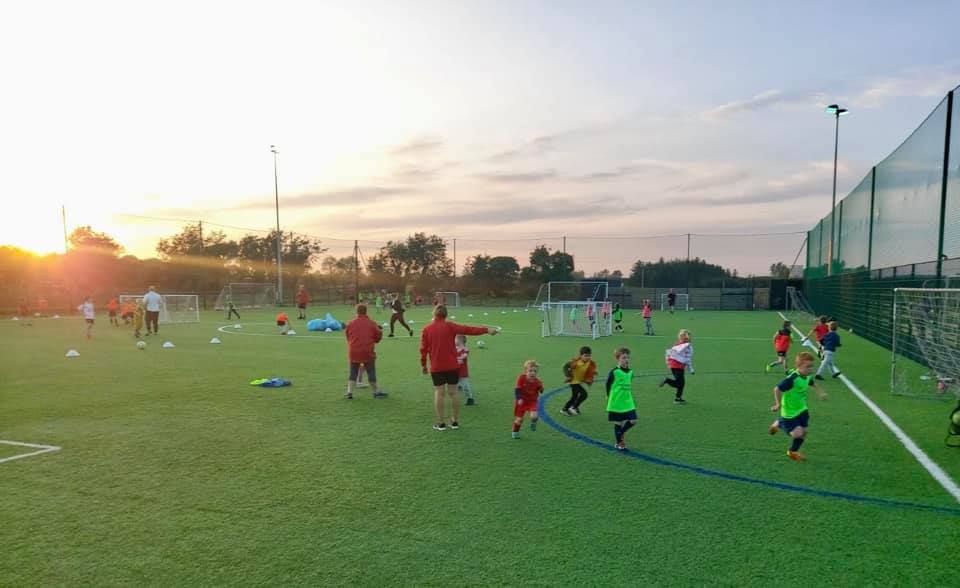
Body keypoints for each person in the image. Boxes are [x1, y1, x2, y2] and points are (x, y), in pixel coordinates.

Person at [420, 304, 498, 431]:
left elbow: (423, 350)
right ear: (446, 315)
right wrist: (487, 330)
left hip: (436, 367)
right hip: (452, 366)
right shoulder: (450, 326)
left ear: (434, 314)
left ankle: (441, 423)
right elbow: (468, 330)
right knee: (454, 392)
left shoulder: (427, 329)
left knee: (439, 393)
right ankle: (455, 422)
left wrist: (423, 365)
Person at [769, 351, 827, 461]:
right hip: (789, 411)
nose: (811, 369)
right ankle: (780, 423)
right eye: (808, 367)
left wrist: (820, 392)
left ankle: (792, 452)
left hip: (802, 408)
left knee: (804, 432)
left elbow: (812, 383)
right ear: (799, 366)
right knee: (798, 434)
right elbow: (777, 389)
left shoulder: (807, 375)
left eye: (812, 366)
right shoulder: (792, 379)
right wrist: (778, 404)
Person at [344, 304, 387, 399]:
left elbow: (347, 336)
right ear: (366, 311)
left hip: (354, 350)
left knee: (353, 371)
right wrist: (379, 333)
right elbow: (378, 336)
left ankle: (349, 392)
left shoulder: (351, 323)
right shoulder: (372, 323)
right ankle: (376, 392)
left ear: (356, 312)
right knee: (371, 371)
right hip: (367, 351)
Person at [607, 348, 637, 451]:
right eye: (624, 358)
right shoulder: (614, 372)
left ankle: (621, 433)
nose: (626, 360)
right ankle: (619, 443)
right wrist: (608, 396)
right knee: (618, 423)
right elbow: (608, 384)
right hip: (617, 401)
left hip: (628, 401)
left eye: (628, 357)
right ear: (618, 359)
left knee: (633, 421)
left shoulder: (631, 372)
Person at [560, 345, 597, 416]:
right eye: (585, 356)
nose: (587, 357)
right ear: (581, 355)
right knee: (584, 394)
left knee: (574, 397)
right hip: (573, 382)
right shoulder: (576, 362)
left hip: (579, 382)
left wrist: (593, 372)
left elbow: (588, 369)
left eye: (589, 356)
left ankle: (567, 408)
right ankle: (573, 407)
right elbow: (565, 366)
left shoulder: (589, 362)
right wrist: (568, 375)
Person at [511, 360, 544, 439]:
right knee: (519, 420)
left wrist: (541, 388)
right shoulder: (521, 378)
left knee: (534, 417)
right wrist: (519, 398)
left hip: (532, 402)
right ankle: (515, 432)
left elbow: (541, 390)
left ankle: (533, 423)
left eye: (535, 371)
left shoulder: (538, 382)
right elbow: (517, 389)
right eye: (530, 371)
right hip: (521, 401)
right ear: (525, 371)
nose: (532, 373)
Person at [660, 329, 694, 404]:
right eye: (688, 336)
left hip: (676, 365)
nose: (690, 337)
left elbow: (670, 353)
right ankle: (667, 380)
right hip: (677, 366)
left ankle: (678, 398)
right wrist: (690, 369)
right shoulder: (685, 345)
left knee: (681, 383)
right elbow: (687, 358)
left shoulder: (679, 344)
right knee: (680, 383)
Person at [455, 334, 475, 405]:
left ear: (460, 340)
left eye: (455, 339)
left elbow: (464, 356)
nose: (454, 340)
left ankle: (470, 398)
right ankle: (459, 386)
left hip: (463, 371)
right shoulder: (453, 348)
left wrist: (455, 359)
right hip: (454, 371)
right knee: (454, 384)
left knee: (466, 386)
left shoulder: (465, 349)